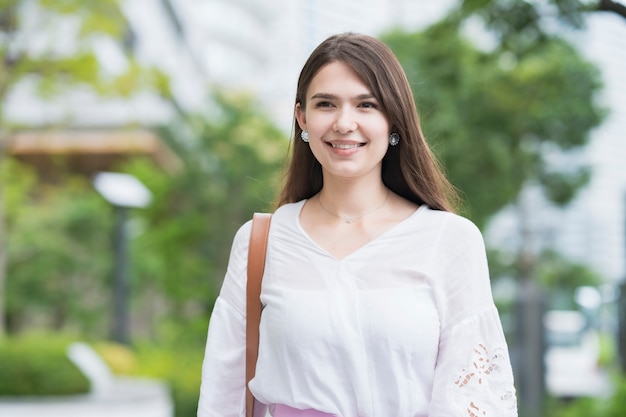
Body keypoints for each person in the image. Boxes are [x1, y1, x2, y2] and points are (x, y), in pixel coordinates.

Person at [198, 33, 518, 417]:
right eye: (326, 104)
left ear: (393, 118)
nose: (344, 123)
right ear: (302, 117)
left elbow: (474, 398)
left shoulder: (449, 241)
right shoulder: (262, 242)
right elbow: (223, 392)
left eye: (366, 105)